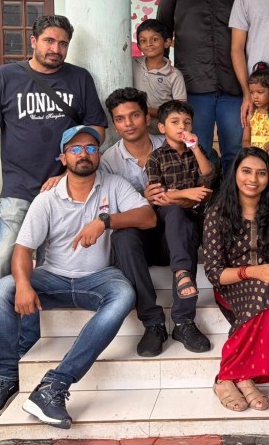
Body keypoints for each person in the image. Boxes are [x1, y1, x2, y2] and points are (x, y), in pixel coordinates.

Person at [0, 15, 108, 395]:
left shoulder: (79, 79)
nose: (56, 49)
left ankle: (25, 350)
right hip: (19, 190)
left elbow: (97, 130)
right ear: (33, 40)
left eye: (63, 43)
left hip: (64, 193)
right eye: (49, 41)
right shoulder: (6, 77)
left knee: (45, 271)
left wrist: (67, 168)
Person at [0, 126, 153, 428]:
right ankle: (5, 377)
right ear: (63, 157)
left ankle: (55, 385)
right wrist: (23, 284)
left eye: (91, 148)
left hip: (98, 278)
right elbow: (22, 249)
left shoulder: (113, 184)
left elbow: (148, 217)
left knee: (124, 294)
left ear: (99, 154)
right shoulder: (47, 199)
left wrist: (105, 221)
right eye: (75, 149)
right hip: (53, 278)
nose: (84, 154)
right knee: (3, 289)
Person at [203, 147, 269, 412]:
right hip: (231, 286)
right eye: (246, 171)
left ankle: (243, 376)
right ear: (235, 173)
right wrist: (252, 272)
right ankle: (226, 375)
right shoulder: (217, 213)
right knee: (262, 288)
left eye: (261, 173)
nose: (253, 179)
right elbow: (214, 272)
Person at [156, 0, 250, 175]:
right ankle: (203, 199)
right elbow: (162, 28)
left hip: (234, 86)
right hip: (192, 85)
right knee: (197, 150)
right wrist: (161, 77)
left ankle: (232, 199)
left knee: (235, 152)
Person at [98, 87, 173, 357]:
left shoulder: (169, 145)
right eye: (120, 119)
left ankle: (184, 317)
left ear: (147, 117)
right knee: (122, 235)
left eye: (134, 115)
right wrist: (143, 199)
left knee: (178, 215)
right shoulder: (108, 161)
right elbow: (111, 212)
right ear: (114, 124)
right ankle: (153, 323)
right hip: (137, 243)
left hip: (172, 237)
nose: (128, 124)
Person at [144, 100, 216, 353]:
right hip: (168, 224)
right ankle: (184, 313)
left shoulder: (198, 152)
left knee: (196, 221)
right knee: (175, 213)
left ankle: (184, 316)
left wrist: (195, 148)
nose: (182, 127)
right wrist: (188, 193)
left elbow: (208, 181)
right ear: (162, 127)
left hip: (195, 219)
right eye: (175, 122)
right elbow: (158, 196)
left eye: (187, 122)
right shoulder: (156, 158)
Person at [132, 19, 187, 130]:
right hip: (137, 131)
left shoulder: (174, 75)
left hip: (163, 133)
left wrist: (146, 110)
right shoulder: (132, 64)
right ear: (138, 46)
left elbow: (180, 111)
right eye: (143, 41)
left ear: (167, 42)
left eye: (155, 39)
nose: (148, 44)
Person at [243, 62, 269, 151]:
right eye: (251, 92)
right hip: (255, 157)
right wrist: (254, 150)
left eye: (260, 92)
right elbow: (245, 141)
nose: (255, 96)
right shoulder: (250, 116)